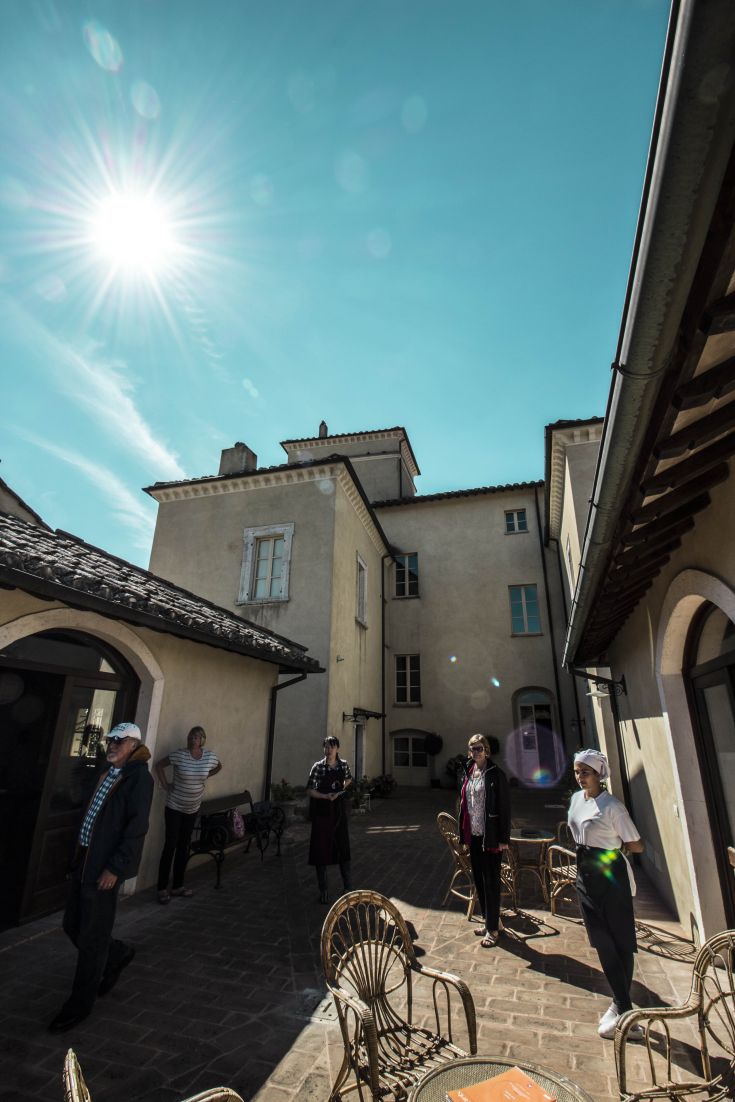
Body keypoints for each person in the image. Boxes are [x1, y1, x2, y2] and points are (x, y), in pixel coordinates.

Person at [49, 721, 154, 1033]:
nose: (112, 745)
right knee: (72, 925)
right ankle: (117, 953)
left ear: (134, 745)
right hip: (85, 861)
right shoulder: (107, 772)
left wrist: (115, 868)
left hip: (105, 868)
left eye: (119, 741)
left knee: (93, 938)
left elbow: (136, 829)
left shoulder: (138, 779)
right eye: (111, 740)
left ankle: (79, 1005)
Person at [568, 749, 645, 1040]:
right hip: (585, 874)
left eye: (585, 772)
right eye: (577, 772)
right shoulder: (576, 800)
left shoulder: (612, 806)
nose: (580, 777)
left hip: (610, 875)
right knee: (601, 940)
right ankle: (623, 1006)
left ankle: (622, 1008)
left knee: (621, 940)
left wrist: (614, 851)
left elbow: (636, 844)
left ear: (600, 774)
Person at [155, 725, 222, 903]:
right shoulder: (180, 755)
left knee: (184, 846)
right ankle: (161, 888)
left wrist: (207, 775)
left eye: (197, 737)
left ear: (202, 740)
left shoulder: (209, 757)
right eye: (191, 737)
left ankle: (178, 886)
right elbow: (159, 765)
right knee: (170, 845)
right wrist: (165, 784)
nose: (193, 740)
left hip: (192, 809)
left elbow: (219, 766)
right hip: (174, 807)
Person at [458, 733, 511, 947]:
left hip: (490, 837)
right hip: (475, 835)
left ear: (486, 750)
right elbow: (464, 805)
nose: (476, 752)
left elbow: (505, 807)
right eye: (472, 749)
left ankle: (492, 931)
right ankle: (492, 920)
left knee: (491, 882)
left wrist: (503, 838)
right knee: (479, 881)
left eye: (479, 748)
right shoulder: (470, 772)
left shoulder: (495, 774)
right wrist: (464, 836)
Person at [307, 736, 352, 904]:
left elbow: (348, 779)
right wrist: (325, 796)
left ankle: (348, 887)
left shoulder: (343, 765)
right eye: (326, 747)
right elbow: (310, 790)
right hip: (322, 813)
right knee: (321, 851)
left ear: (337, 749)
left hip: (338, 813)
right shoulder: (318, 767)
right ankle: (323, 891)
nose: (328, 750)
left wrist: (341, 790)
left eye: (331, 747)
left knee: (343, 849)